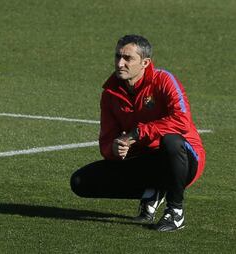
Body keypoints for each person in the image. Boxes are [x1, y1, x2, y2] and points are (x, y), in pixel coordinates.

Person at [70, 34, 205, 232]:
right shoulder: (110, 93)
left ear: (145, 63)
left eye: (128, 58)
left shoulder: (164, 80)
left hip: (184, 158)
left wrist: (137, 133)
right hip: (147, 160)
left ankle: (175, 211)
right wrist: (115, 148)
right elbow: (107, 141)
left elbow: (182, 121)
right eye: (118, 57)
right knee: (80, 182)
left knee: (171, 141)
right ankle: (152, 191)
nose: (120, 63)